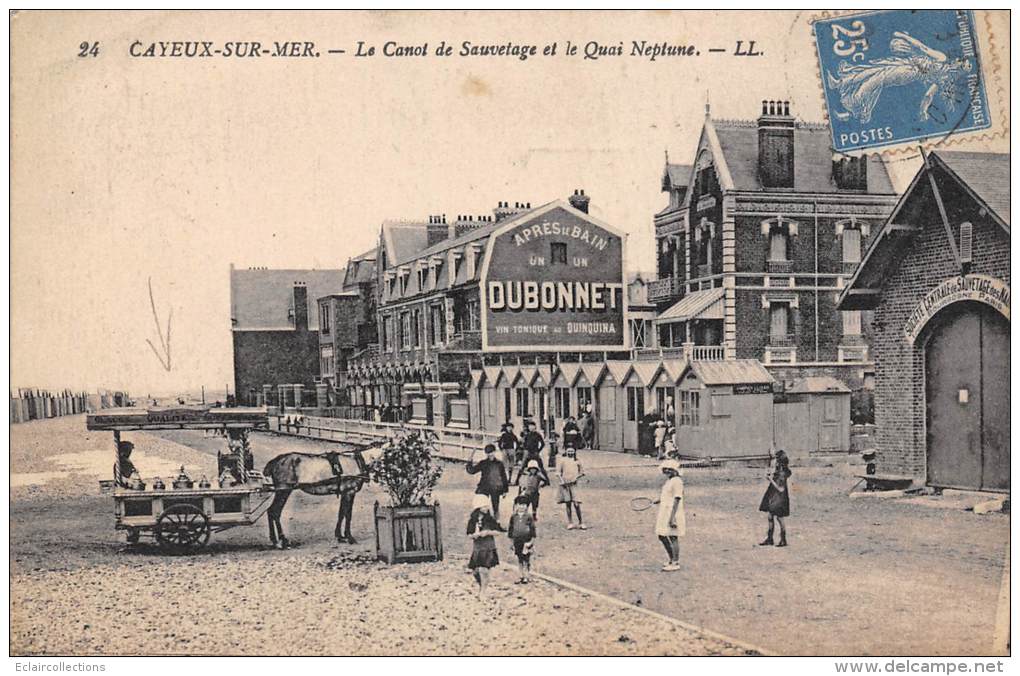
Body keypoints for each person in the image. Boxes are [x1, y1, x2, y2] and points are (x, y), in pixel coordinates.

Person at [467, 494, 504, 598]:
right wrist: (475, 535)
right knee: (475, 572)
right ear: (478, 508)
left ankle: (483, 591)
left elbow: (498, 532)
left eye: (487, 506)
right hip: (477, 548)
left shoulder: (490, 519)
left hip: (488, 547)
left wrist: (488, 532)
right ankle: (481, 586)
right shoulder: (473, 521)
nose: (486, 509)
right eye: (484, 507)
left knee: (484, 570)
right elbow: (469, 534)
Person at [653, 459, 685, 571]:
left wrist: (672, 518)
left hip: (673, 512)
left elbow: (677, 499)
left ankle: (675, 562)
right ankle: (671, 559)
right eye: (665, 469)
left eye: (669, 469)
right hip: (665, 511)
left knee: (673, 536)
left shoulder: (677, 481)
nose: (666, 471)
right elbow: (668, 495)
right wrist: (659, 500)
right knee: (662, 535)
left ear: (675, 470)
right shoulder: (670, 481)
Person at [758, 449, 792, 547]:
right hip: (774, 496)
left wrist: (770, 480)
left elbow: (781, 489)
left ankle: (783, 540)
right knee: (770, 516)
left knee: (779, 518)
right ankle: (770, 539)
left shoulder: (781, 474)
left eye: (777, 459)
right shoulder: (780, 471)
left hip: (779, 498)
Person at [466, 443, 509, 519]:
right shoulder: (483, 463)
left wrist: (505, 490)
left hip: (495, 488)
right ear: (486, 454)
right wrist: (469, 461)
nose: (490, 454)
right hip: (484, 487)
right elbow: (472, 471)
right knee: (482, 505)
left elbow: (503, 477)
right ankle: (482, 522)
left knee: (495, 507)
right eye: (488, 453)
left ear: (495, 452)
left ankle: (497, 524)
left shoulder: (499, 464)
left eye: (492, 452)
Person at [507, 495, 537, 584]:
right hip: (517, 541)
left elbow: (533, 531)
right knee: (519, 558)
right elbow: (510, 530)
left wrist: (531, 542)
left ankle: (526, 576)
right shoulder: (513, 517)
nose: (522, 507)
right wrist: (511, 543)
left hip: (526, 541)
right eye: (520, 504)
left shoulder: (529, 517)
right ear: (516, 505)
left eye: (524, 505)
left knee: (526, 559)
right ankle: (520, 575)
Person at [557, 444, 587, 530]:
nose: (570, 452)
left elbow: (582, 472)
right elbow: (558, 473)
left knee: (576, 503)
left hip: (574, 484)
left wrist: (576, 478)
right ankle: (570, 522)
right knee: (568, 503)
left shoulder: (577, 461)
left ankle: (581, 522)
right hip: (565, 485)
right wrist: (562, 480)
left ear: (574, 452)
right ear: (566, 451)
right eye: (569, 451)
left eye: (572, 451)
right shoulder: (562, 461)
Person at [515, 421, 550, 485]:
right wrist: (525, 449)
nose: (531, 427)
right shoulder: (527, 435)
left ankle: (547, 481)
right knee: (522, 467)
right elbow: (524, 443)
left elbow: (542, 444)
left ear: (535, 427)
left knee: (541, 467)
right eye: (530, 426)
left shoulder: (537, 435)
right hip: (528, 453)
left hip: (535, 453)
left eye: (532, 426)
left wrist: (538, 450)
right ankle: (516, 481)